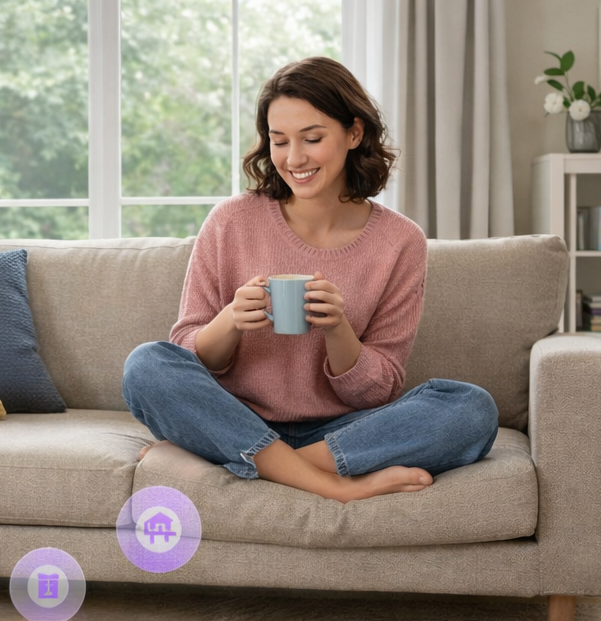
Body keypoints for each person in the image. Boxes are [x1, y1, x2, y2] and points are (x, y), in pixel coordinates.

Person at [122, 56, 498, 503]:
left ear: (354, 133)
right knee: (146, 365)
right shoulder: (231, 220)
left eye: (312, 138)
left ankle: (252, 462)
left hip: (340, 430)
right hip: (236, 415)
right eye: (279, 141)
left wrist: (339, 330)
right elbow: (186, 354)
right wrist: (231, 320)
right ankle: (330, 484)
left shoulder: (400, 241)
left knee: (471, 409)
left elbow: (381, 388)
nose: (293, 158)